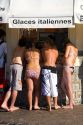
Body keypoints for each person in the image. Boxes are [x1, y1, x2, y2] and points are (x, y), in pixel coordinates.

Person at [1, 37, 26, 112]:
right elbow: (25, 59)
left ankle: (4, 103)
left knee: (11, 87)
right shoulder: (24, 49)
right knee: (16, 87)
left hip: (12, 66)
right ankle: (12, 106)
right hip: (18, 66)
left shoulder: (16, 48)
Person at [41, 38, 61, 111]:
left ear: (47, 43)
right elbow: (57, 60)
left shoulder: (44, 50)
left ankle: (49, 106)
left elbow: (42, 59)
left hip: (45, 68)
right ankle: (55, 105)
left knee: (46, 88)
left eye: (44, 43)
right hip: (53, 69)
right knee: (54, 87)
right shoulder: (56, 51)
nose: (43, 44)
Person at [25, 31, 41, 111]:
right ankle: (35, 105)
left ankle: (30, 106)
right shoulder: (38, 51)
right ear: (34, 44)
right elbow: (40, 60)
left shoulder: (26, 52)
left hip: (29, 69)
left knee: (30, 89)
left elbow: (25, 60)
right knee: (37, 89)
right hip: (36, 70)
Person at [61, 38, 78, 109]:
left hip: (67, 66)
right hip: (71, 67)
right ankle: (72, 101)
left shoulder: (68, 46)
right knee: (62, 85)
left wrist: (61, 60)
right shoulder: (75, 48)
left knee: (68, 85)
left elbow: (65, 56)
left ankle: (70, 104)